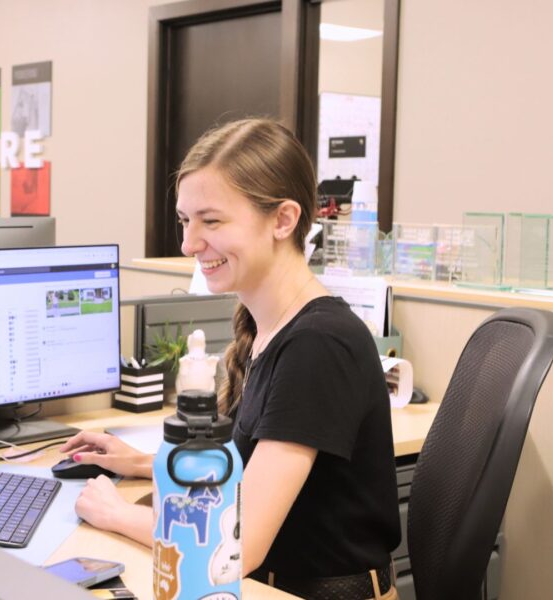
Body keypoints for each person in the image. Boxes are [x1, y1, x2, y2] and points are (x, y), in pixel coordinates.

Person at [60, 118, 401, 599]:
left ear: (283, 220)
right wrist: (142, 463)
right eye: (185, 220)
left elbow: (239, 544)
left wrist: (115, 513)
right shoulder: (270, 329)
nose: (188, 243)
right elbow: (247, 467)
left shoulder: (319, 345)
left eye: (212, 221)